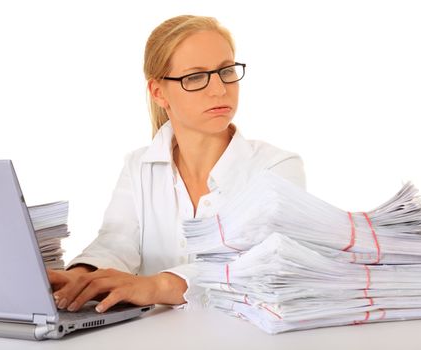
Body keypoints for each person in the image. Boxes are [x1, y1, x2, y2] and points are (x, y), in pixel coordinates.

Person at [47, 14, 306, 314]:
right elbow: (117, 242)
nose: (220, 89)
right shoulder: (139, 166)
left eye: (226, 71)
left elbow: (260, 264)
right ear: (158, 92)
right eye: (195, 77)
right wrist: (79, 276)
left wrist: (160, 285)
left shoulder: (277, 168)